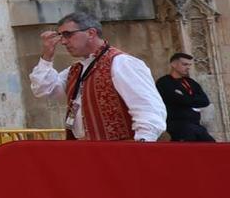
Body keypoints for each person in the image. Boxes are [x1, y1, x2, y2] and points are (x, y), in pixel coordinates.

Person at [28, 11, 166, 141]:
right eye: (61, 36)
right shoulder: (76, 69)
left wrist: (142, 144)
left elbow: (148, 109)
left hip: (118, 152)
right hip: (84, 151)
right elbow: (43, 90)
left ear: (91, 33)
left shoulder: (121, 63)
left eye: (68, 34)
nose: (63, 42)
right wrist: (47, 57)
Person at [157, 52, 215, 143]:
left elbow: (205, 101)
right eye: (184, 64)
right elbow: (176, 99)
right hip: (177, 124)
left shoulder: (190, 82)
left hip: (195, 124)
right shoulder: (164, 82)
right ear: (173, 64)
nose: (188, 67)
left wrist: (185, 97)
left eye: (189, 65)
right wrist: (191, 99)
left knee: (212, 145)